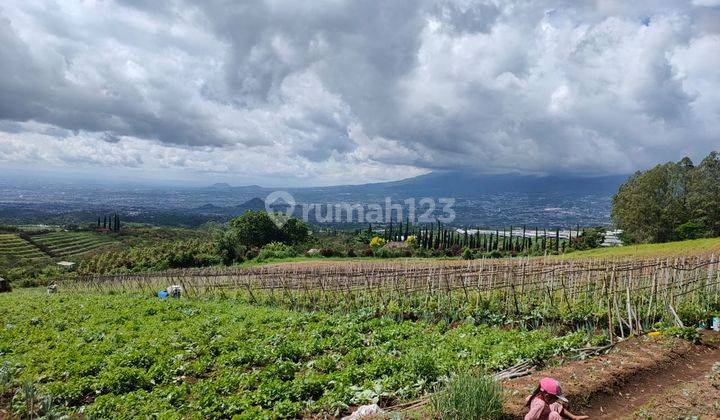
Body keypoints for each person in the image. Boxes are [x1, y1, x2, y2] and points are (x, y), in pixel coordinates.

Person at [524, 377, 588, 420]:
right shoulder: (540, 405)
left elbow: (528, 399)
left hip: (543, 415)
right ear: (547, 396)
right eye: (555, 398)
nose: (557, 400)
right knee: (554, 415)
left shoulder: (536, 396)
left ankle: (574, 417)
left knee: (555, 405)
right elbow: (528, 418)